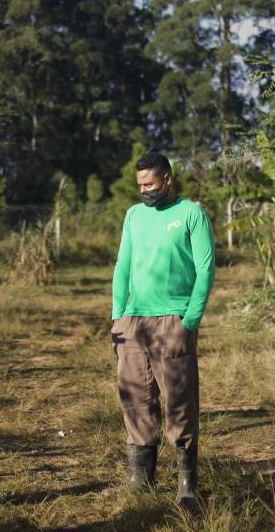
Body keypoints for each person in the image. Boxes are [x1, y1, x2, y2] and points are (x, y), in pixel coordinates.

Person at [110, 152, 215, 506]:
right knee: (136, 399)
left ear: (167, 179)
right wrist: (117, 316)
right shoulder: (134, 216)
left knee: (179, 402)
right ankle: (142, 480)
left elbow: (205, 270)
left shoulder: (191, 214)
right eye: (139, 185)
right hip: (133, 322)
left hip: (174, 319)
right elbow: (123, 265)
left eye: (150, 184)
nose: (144, 191)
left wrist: (191, 321)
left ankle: (187, 485)